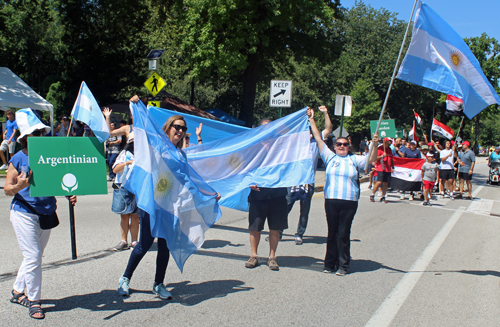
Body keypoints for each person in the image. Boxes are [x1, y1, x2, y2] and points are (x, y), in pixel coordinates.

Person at [5, 108, 77, 320]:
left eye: (40, 133)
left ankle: (18, 291)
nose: (38, 137)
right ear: (25, 138)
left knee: (33, 256)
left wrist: (68, 194)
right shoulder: (18, 158)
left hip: (46, 211)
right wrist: (19, 185)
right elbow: (8, 188)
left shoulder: (50, 155)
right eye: (34, 134)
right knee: (34, 255)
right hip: (23, 212)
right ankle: (34, 301)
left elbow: (60, 179)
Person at [308, 107, 378, 275]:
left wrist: (375, 143)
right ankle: (329, 264)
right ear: (334, 146)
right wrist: (311, 119)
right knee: (332, 232)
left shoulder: (355, 159)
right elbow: (318, 138)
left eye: (345, 144)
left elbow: (372, 159)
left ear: (349, 146)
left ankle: (343, 265)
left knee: (343, 233)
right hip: (331, 200)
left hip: (349, 201)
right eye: (339, 144)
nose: (341, 146)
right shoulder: (329, 156)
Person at [111, 142, 139, 251]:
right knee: (124, 215)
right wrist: (128, 163)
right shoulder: (125, 154)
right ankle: (124, 241)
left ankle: (135, 241)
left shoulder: (144, 155)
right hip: (123, 187)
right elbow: (115, 169)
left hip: (137, 188)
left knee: (135, 215)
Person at [370, 137, 394, 203]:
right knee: (379, 181)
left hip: (388, 168)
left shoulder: (389, 149)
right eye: (389, 141)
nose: (390, 142)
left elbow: (391, 158)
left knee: (386, 183)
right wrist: (381, 156)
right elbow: (375, 158)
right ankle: (372, 194)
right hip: (381, 167)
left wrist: (393, 167)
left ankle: (383, 196)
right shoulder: (380, 148)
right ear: (385, 141)